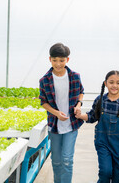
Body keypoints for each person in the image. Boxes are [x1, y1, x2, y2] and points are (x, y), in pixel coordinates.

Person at [76, 70, 119, 183]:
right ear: (105, 83)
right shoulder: (100, 101)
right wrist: (81, 115)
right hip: (102, 142)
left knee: (117, 175)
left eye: (118, 83)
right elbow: (91, 117)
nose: (114, 85)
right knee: (105, 172)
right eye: (111, 82)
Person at [39, 43, 84, 183]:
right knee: (56, 160)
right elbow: (43, 102)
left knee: (67, 159)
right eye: (55, 60)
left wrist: (78, 104)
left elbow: (81, 92)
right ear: (49, 59)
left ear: (67, 60)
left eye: (61, 60)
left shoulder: (75, 76)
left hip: (71, 124)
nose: (58, 64)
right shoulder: (45, 80)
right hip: (55, 124)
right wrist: (56, 113)